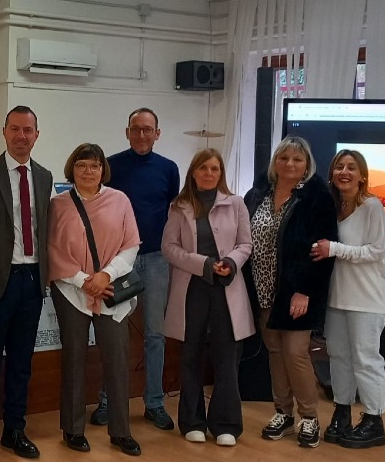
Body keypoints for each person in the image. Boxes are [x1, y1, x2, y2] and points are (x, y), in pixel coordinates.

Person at [241, 135, 338, 448]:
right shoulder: (257, 193)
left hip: (296, 291)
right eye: (284, 158)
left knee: (296, 353)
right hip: (263, 288)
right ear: (275, 162)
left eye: (297, 159)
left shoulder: (316, 196)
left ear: (307, 164)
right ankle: (283, 412)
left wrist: (304, 291)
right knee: (275, 352)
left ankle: (309, 417)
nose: (290, 164)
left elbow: (322, 251)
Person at [0, 106, 53, 462]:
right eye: (15, 129)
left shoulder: (45, 176)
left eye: (28, 130)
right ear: (3, 132)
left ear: (37, 134)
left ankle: (15, 430)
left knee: (22, 361)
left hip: (32, 280)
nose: (21, 136)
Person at [47, 143, 142, 457]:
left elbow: (131, 244)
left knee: (116, 361)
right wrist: (83, 281)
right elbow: (53, 250)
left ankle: (121, 432)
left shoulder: (120, 200)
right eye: (82, 165)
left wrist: (105, 276)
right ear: (72, 168)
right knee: (73, 360)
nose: (88, 171)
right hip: (71, 291)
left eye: (95, 166)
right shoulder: (58, 204)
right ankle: (73, 430)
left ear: (104, 170)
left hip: (111, 290)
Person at [92, 107, 180, 430]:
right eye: (136, 129)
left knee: (155, 335)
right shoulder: (111, 166)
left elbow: (171, 211)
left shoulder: (170, 169)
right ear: (127, 132)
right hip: (119, 261)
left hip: (156, 259)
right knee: (113, 333)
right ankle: (108, 400)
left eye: (148, 130)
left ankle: (154, 403)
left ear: (157, 133)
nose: (142, 135)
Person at [162, 148, 253, 447]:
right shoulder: (180, 206)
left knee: (226, 358)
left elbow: (245, 244)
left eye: (214, 169)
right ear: (193, 172)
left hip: (227, 288)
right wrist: (202, 263)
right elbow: (170, 248)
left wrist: (230, 261)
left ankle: (226, 423)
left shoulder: (236, 204)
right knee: (191, 357)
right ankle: (192, 421)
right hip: (193, 289)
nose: (209, 174)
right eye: (203, 168)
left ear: (221, 173)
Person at [314, 149, 385, 449]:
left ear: (362, 176)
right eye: (339, 167)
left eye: (351, 167)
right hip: (337, 299)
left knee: (366, 361)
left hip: (366, 301)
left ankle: (374, 420)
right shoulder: (332, 208)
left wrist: (336, 249)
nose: (344, 172)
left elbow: (379, 252)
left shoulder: (373, 207)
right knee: (339, 359)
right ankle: (342, 412)